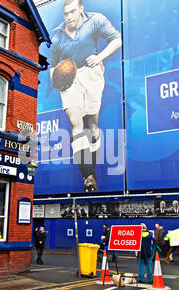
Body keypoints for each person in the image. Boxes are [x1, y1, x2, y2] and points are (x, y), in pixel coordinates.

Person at [49, 0, 122, 192]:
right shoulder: (57, 36)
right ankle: (88, 176)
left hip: (92, 73)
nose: (69, 16)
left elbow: (117, 39)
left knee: (92, 126)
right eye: (66, 13)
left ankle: (91, 167)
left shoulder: (95, 20)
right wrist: (57, 79)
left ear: (81, 9)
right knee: (76, 124)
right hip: (70, 80)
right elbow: (51, 67)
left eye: (73, 12)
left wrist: (99, 57)